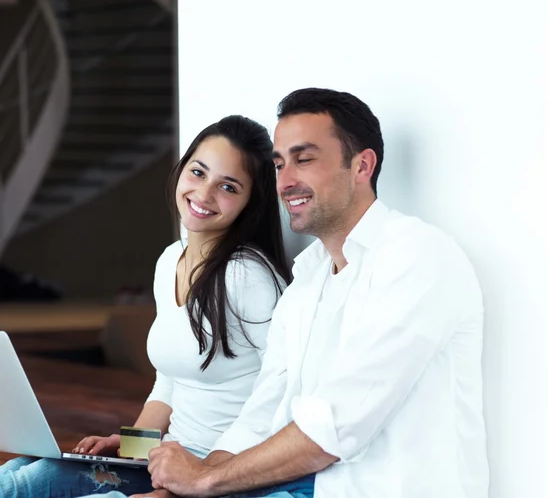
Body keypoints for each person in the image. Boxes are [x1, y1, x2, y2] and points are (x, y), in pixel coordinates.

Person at [85, 87, 490, 498]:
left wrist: (203, 479)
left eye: (305, 159)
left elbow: (336, 425)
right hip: (291, 486)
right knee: (33, 479)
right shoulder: (309, 278)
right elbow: (262, 413)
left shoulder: (416, 256)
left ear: (362, 166)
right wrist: (183, 486)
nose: (286, 181)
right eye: (280, 164)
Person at [0, 115, 291, 498]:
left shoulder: (249, 278)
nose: (204, 194)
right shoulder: (171, 259)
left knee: (26, 485)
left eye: (228, 187)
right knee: (20, 473)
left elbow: (282, 396)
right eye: (198, 172)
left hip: (223, 473)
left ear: (251, 202)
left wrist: (193, 483)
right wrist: (130, 446)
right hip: (168, 461)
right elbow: (170, 381)